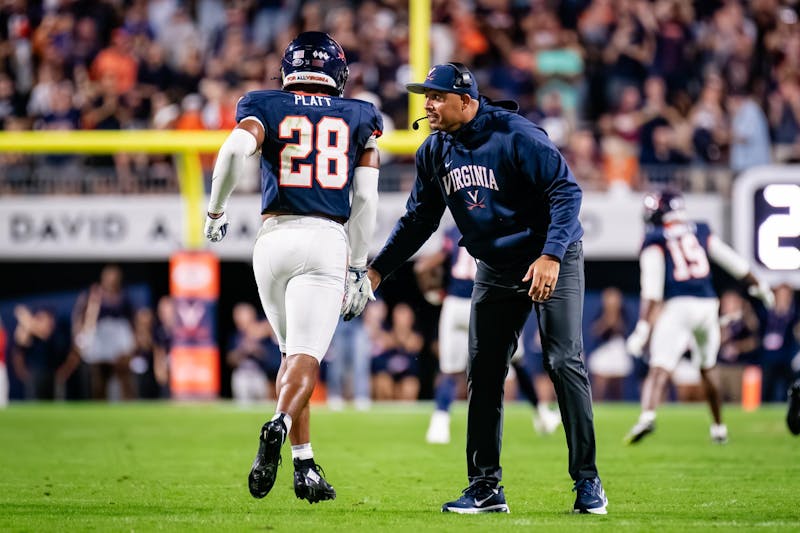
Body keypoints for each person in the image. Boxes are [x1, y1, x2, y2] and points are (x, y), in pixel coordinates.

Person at [342, 63, 607, 515]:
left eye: (437, 96)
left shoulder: (517, 135)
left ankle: (588, 481)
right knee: (483, 371)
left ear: (466, 100)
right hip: (495, 266)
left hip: (548, 255)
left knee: (563, 360)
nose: (427, 104)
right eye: (426, 96)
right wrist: (377, 271)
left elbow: (566, 192)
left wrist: (551, 256)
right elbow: (419, 220)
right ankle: (485, 488)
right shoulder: (434, 150)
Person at [203, 31, 382, 504]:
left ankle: (304, 464)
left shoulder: (263, 103)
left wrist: (215, 212)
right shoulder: (360, 114)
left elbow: (232, 153)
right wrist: (359, 267)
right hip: (325, 237)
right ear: (338, 73)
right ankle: (278, 426)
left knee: (290, 356)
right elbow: (365, 198)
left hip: (272, 238)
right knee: (306, 357)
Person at [625, 189, 775, 445]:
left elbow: (651, 289)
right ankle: (719, 428)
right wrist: (759, 284)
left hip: (678, 305)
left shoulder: (655, 240)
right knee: (707, 367)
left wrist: (642, 328)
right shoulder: (699, 230)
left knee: (660, 366)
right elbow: (733, 261)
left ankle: (647, 416)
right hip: (708, 305)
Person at [417, 226, 560, 444]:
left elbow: (422, 267)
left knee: (449, 370)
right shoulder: (495, 227)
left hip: (454, 304)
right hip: (483, 301)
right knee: (516, 360)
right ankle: (541, 414)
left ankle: (439, 424)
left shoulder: (453, 231)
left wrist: (432, 293)